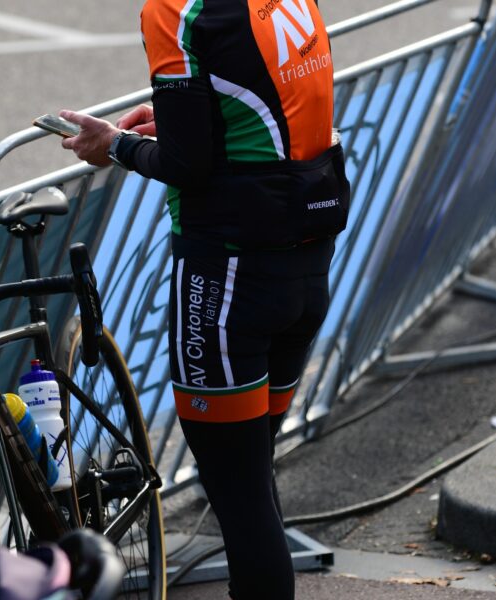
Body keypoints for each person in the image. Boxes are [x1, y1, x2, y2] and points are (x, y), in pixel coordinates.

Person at [60, 0, 349, 597]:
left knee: (241, 501)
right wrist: (186, 116)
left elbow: (187, 166)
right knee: (251, 484)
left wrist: (114, 145)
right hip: (305, 257)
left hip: (228, 277)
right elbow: (273, 106)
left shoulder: (174, 9)